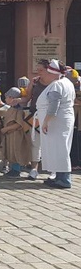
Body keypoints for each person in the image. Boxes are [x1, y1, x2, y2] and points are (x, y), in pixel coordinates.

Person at [36, 59, 76, 188]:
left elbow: (54, 105)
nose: (41, 75)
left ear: (52, 72)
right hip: (62, 120)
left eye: (43, 72)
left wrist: (46, 121)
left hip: (57, 121)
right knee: (59, 147)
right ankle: (59, 176)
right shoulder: (66, 82)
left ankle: (64, 179)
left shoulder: (57, 84)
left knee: (60, 148)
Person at [19, 67, 47, 180]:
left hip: (50, 116)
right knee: (35, 143)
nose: (38, 72)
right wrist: (17, 100)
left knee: (50, 144)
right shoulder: (35, 81)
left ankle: (54, 170)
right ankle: (34, 169)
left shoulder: (56, 82)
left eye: (41, 69)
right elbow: (27, 97)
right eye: (38, 69)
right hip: (35, 115)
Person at [1, 87, 32, 178]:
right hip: (10, 134)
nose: (5, 99)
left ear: (12, 98)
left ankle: (16, 170)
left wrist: (6, 129)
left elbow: (19, 124)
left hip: (16, 134)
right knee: (10, 151)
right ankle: (12, 169)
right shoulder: (11, 108)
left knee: (16, 151)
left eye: (7, 97)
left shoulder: (19, 110)